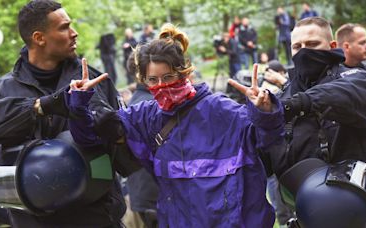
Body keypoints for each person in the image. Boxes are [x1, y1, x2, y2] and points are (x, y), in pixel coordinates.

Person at [68, 23, 285, 227]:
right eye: (153, 80)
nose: (162, 86)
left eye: (169, 77)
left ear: (185, 72)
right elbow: (90, 137)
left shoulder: (222, 110)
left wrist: (264, 110)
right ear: (143, 80)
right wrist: (78, 103)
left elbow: (269, 141)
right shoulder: (145, 117)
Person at [0, 0, 130, 227]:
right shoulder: (1, 90)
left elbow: (129, 163)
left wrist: (119, 137)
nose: (74, 33)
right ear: (39, 38)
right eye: (64, 27)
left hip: (98, 218)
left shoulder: (95, 83)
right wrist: (40, 106)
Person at [261, 17, 366, 227]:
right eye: (297, 46)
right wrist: (259, 119)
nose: (304, 51)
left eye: (312, 44)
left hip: (361, 208)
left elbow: (347, 95)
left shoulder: (356, 78)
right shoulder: (281, 98)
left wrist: (298, 104)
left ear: (332, 46)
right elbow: (266, 159)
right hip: (308, 214)